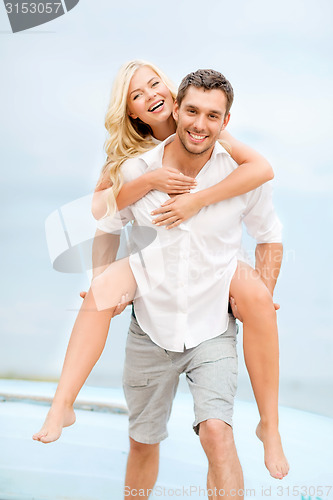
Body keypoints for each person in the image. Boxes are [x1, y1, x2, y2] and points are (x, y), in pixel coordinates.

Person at [32, 61, 288, 481]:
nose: (151, 96)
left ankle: (270, 425)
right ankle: (63, 404)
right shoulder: (134, 167)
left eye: (154, 84)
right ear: (142, 111)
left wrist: (198, 199)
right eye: (137, 95)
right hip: (151, 310)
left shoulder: (234, 162)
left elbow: (266, 208)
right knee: (141, 440)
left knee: (218, 434)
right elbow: (104, 217)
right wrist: (101, 277)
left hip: (211, 314)